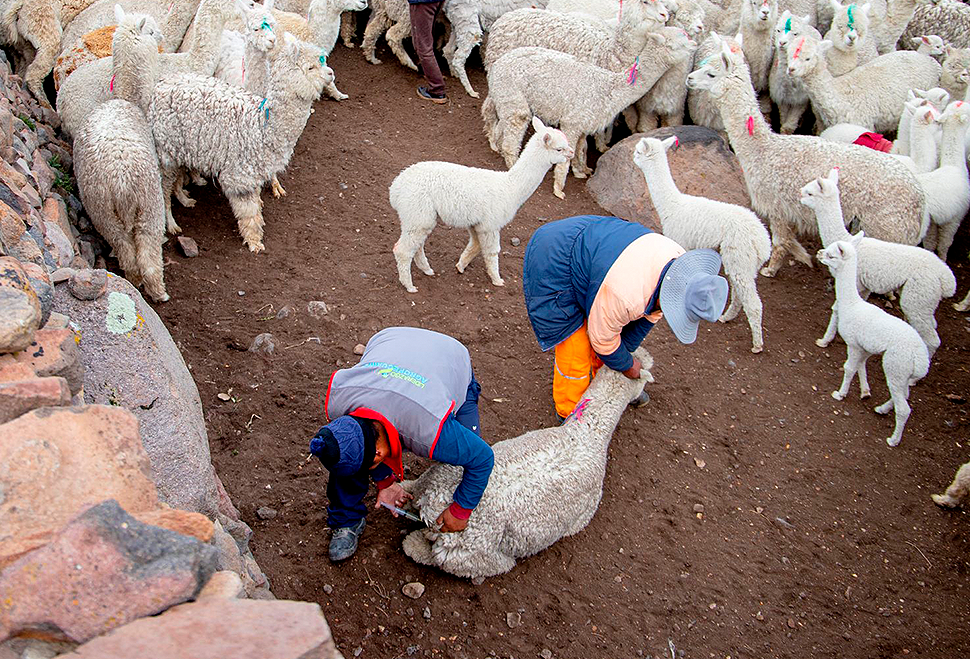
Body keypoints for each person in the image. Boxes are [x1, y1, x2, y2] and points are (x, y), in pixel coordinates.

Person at [309, 326, 493, 562]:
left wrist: (461, 509)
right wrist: (385, 482)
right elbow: (355, 448)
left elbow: (483, 457)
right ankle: (346, 519)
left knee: (465, 452)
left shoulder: (430, 430)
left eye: (374, 464)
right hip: (390, 341)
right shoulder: (340, 403)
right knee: (346, 460)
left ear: (378, 456)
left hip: (449, 355)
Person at [522, 215, 729, 419]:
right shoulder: (625, 295)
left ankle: (597, 385)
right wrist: (627, 366)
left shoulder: (680, 270)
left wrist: (623, 356)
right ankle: (571, 415)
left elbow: (650, 315)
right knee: (576, 348)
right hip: (554, 257)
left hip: (598, 249)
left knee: (605, 337)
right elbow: (602, 339)